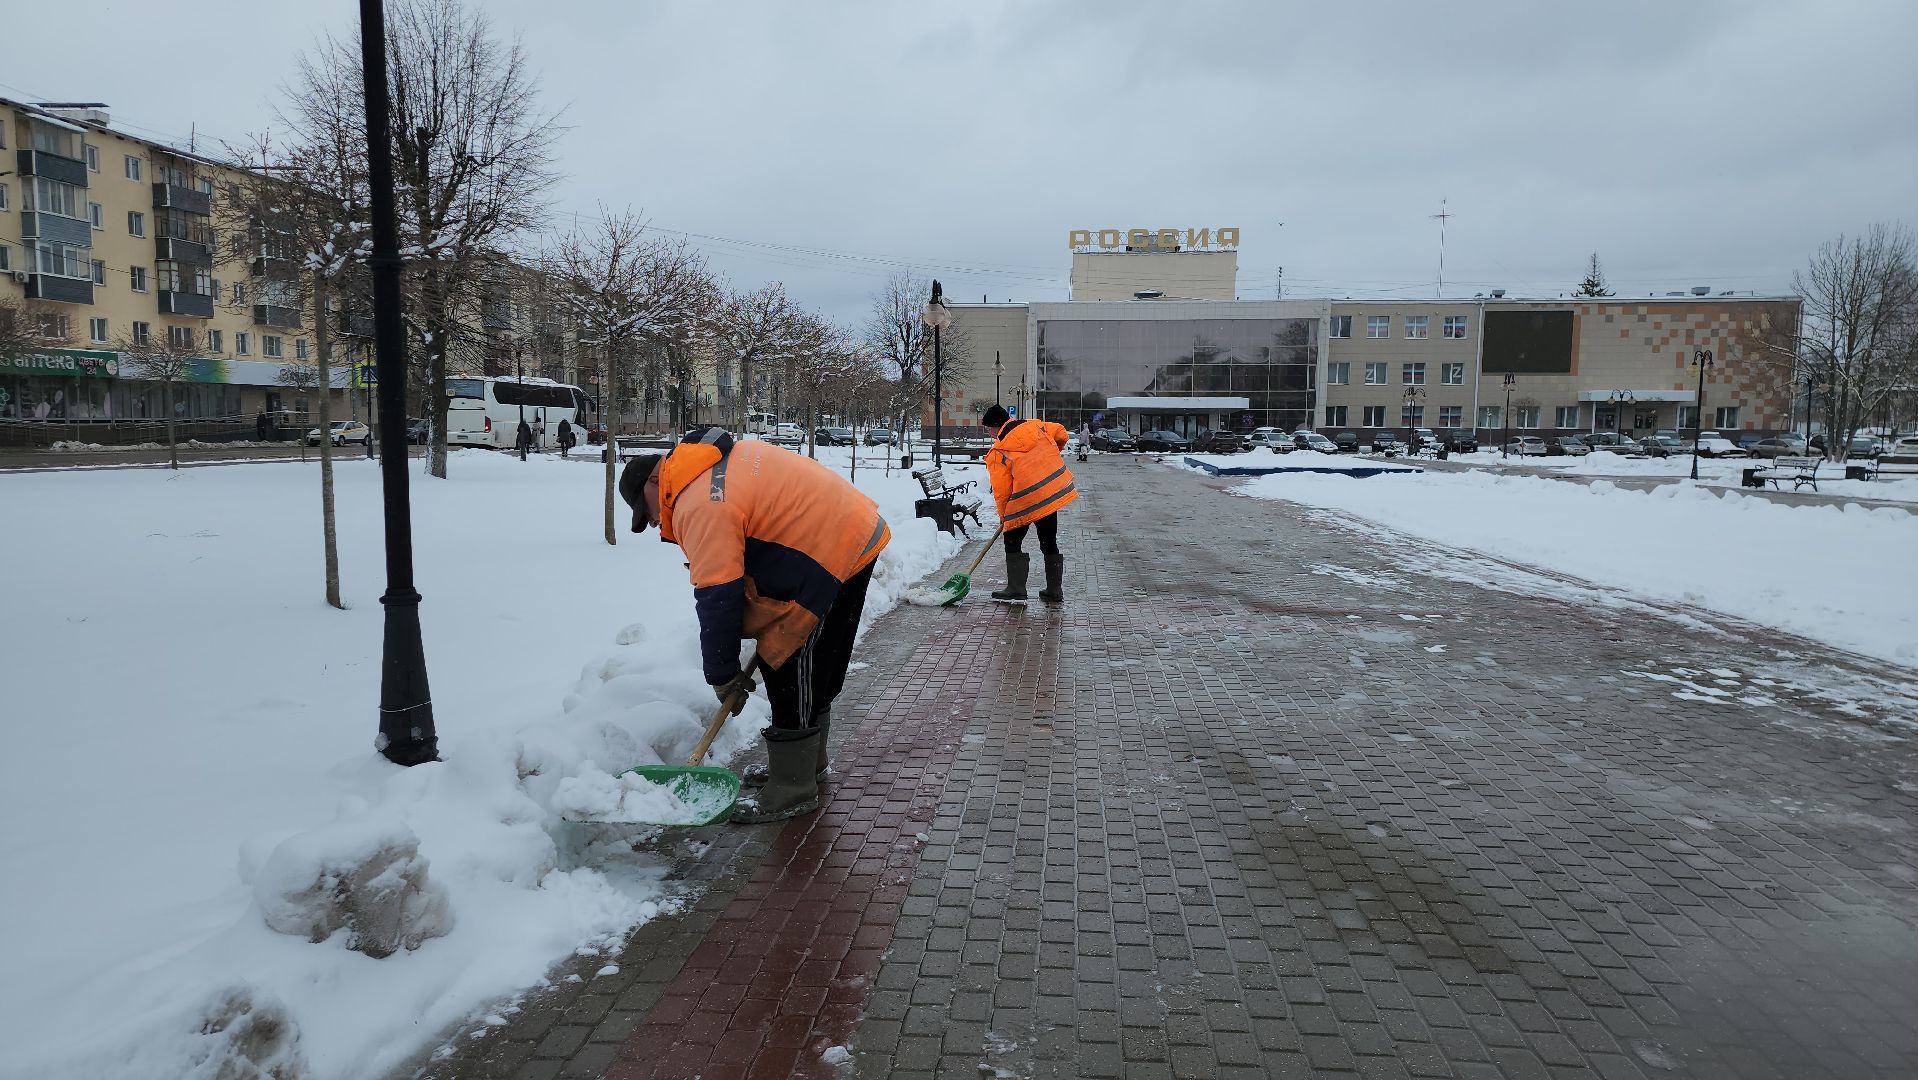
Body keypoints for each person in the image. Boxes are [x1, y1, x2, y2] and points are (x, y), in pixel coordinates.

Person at [618, 426, 890, 823]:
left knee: (786, 659)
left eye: (649, 509)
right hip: (851, 531)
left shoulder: (699, 501)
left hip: (832, 546)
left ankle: (793, 787)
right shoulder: (709, 466)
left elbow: (717, 593)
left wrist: (722, 672)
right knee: (814, 660)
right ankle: (803, 766)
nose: (657, 519)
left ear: (656, 480)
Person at [980, 403, 1077, 604]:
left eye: (989, 428)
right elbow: (1061, 433)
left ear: (997, 425)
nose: (990, 433)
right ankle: (1054, 590)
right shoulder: (1036, 426)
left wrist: (1004, 516)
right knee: (1048, 541)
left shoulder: (1000, 450)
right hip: (1050, 494)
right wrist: (1049, 454)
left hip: (1025, 501)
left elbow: (1002, 490)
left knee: (1012, 541)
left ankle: (1016, 588)